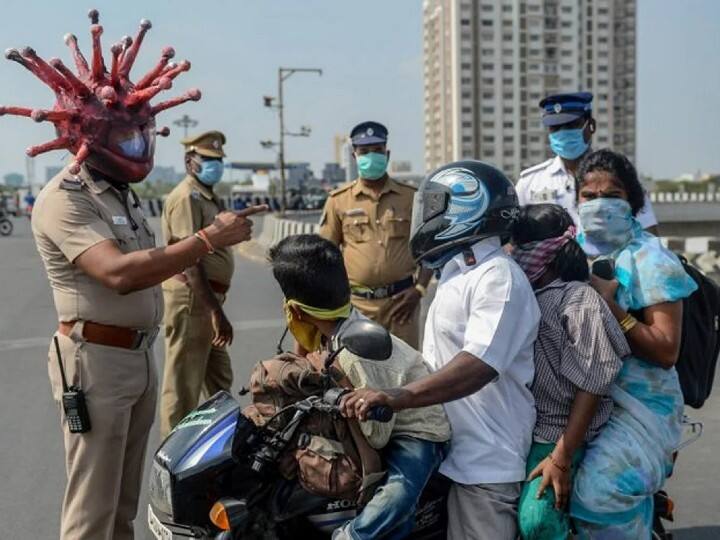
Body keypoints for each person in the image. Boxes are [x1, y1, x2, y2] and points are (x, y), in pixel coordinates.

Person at [12, 10, 266, 538]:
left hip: (135, 356)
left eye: (141, 131)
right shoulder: (65, 199)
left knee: (125, 506)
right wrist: (207, 240)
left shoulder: (122, 198)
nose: (137, 144)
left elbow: (154, 268)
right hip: (95, 362)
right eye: (125, 134)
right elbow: (119, 274)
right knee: (92, 509)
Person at [341, 161, 541, 540]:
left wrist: (398, 397)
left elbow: (477, 366)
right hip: (448, 452)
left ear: (468, 206)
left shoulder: (498, 276)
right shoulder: (457, 271)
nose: (425, 217)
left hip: (485, 462)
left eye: (434, 206)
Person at [267, 234, 451, 540]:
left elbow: (377, 435)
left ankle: (355, 534)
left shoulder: (354, 351)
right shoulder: (340, 329)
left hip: (419, 429)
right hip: (386, 419)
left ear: (296, 310)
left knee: (398, 494)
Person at [567, 149, 697, 538]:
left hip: (640, 411)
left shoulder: (650, 261)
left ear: (633, 203)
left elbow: (665, 349)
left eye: (613, 195)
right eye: (589, 196)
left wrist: (612, 309)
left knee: (597, 497)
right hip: (581, 401)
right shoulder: (573, 252)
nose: (599, 204)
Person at [510, 204, 629, 539]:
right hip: (527, 430)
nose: (514, 255)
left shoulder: (578, 300)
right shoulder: (527, 295)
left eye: (520, 247)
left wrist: (561, 456)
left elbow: (593, 383)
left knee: (538, 522)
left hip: (562, 435)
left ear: (542, 252)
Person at [319, 121, 432, 349]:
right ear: (354, 156)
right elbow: (324, 256)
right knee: (359, 372)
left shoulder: (411, 197)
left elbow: (429, 247)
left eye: (378, 151)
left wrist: (419, 290)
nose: (372, 156)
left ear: (387, 154)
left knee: (406, 374)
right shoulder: (338, 200)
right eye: (365, 152)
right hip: (357, 305)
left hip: (402, 303)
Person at [159, 131, 237, 438]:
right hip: (194, 300)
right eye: (208, 160)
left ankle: (218, 446)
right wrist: (215, 311)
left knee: (219, 380)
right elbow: (188, 261)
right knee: (182, 388)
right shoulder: (186, 197)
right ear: (189, 161)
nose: (214, 165)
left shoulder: (205, 196)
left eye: (218, 160)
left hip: (206, 302)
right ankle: (172, 460)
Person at [516, 92, 658, 233]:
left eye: (571, 125)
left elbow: (648, 234)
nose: (563, 132)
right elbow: (513, 239)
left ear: (591, 126)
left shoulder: (620, 175)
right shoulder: (530, 183)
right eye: (556, 127)